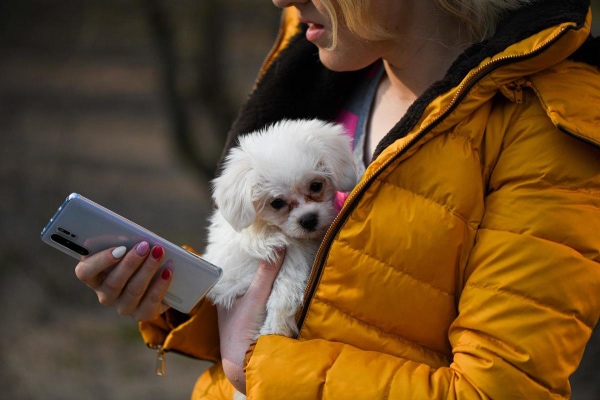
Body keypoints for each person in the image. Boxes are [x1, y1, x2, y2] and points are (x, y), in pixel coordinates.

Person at [74, 0, 600, 398]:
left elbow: (495, 390)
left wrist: (255, 365)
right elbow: (304, 298)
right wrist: (177, 299)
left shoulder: (542, 128)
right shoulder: (320, 77)